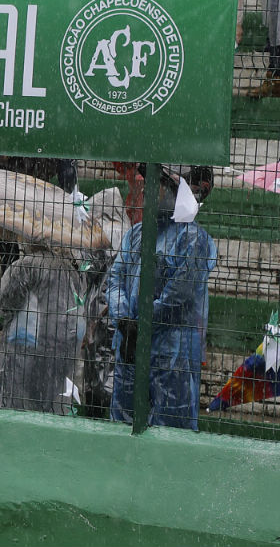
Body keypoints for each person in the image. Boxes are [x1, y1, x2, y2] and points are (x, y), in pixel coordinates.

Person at [107, 168, 216, 430]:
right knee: (122, 429)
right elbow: (115, 279)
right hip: (130, 345)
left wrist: (140, 324)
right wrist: (124, 319)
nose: (144, 187)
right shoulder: (136, 234)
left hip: (172, 354)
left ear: (175, 193)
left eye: (157, 183)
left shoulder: (193, 240)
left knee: (170, 432)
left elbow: (178, 295)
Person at [0, 224, 85, 415]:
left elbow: (1, 304)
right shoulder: (70, 271)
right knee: (52, 410)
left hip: (24, 352)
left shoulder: (25, 266)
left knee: (18, 410)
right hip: (60, 352)